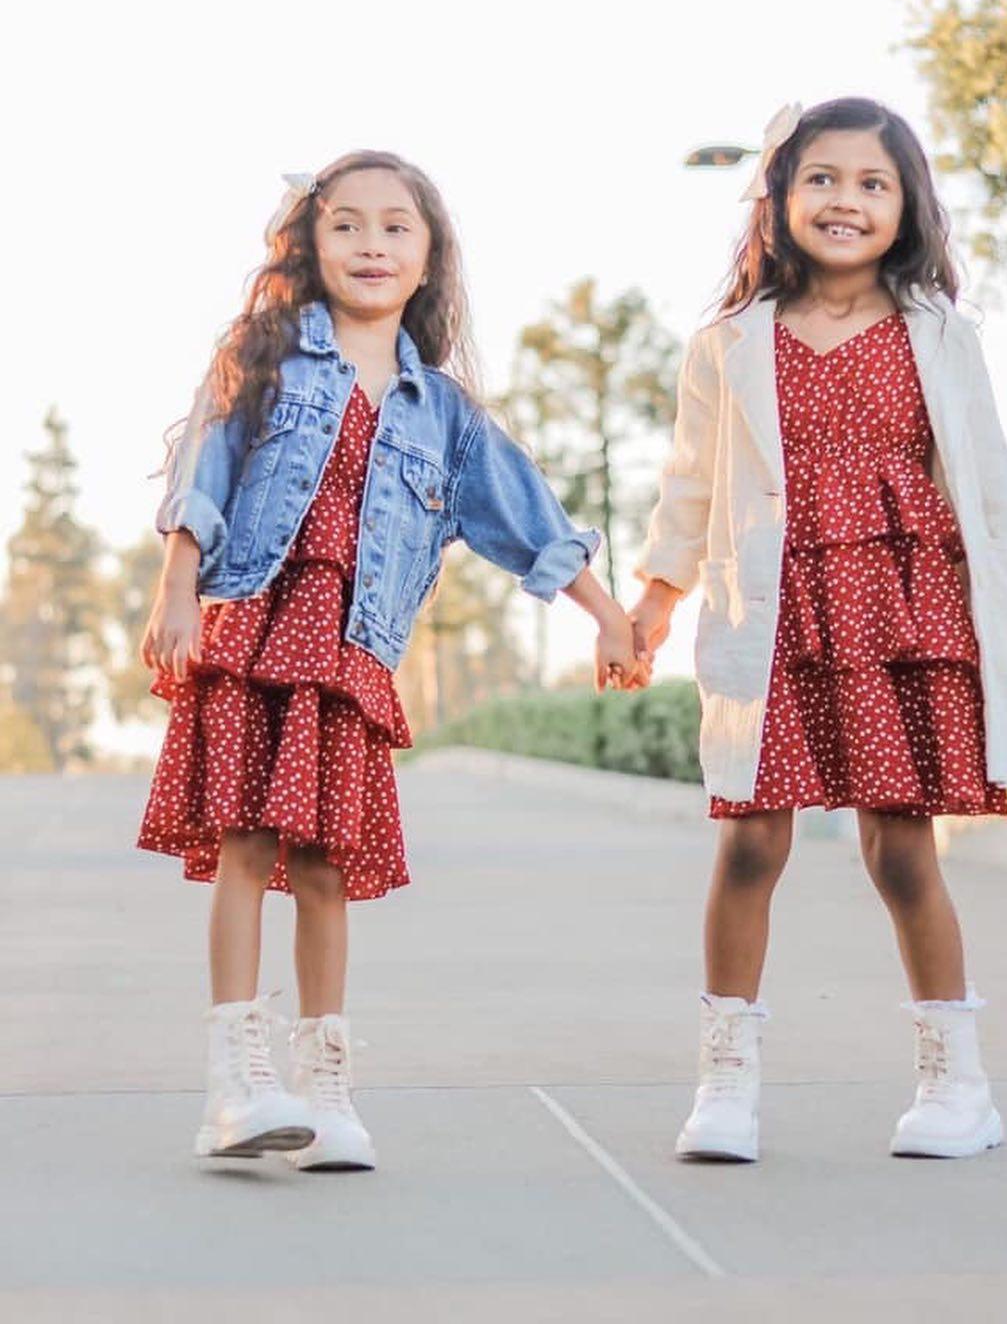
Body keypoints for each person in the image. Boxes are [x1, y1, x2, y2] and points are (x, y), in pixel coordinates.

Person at [139, 150, 638, 1170]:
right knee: (243, 845)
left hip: (352, 650)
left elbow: (523, 515)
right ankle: (234, 1083)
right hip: (253, 624)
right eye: (348, 225)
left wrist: (606, 612)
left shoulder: (444, 412)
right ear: (311, 245)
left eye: (395, 227)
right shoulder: (266, 356)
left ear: (428, 256)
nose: (371, 244)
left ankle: (326, 1092)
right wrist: (176, 590)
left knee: (323, 867)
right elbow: (204, 469)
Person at [627, 98, 1007, 1163]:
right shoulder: (728, 345)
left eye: (872, 183)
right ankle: (726, 1082)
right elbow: (688, 489)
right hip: (774, 614)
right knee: (751, 839)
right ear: (779, 198)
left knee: (901, 850)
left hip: (907, 608)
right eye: (822, 179)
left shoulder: (943, 336)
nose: (845, 201)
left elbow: (990, 489)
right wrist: (653, 604)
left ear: (906, 208)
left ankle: (958, 1085)